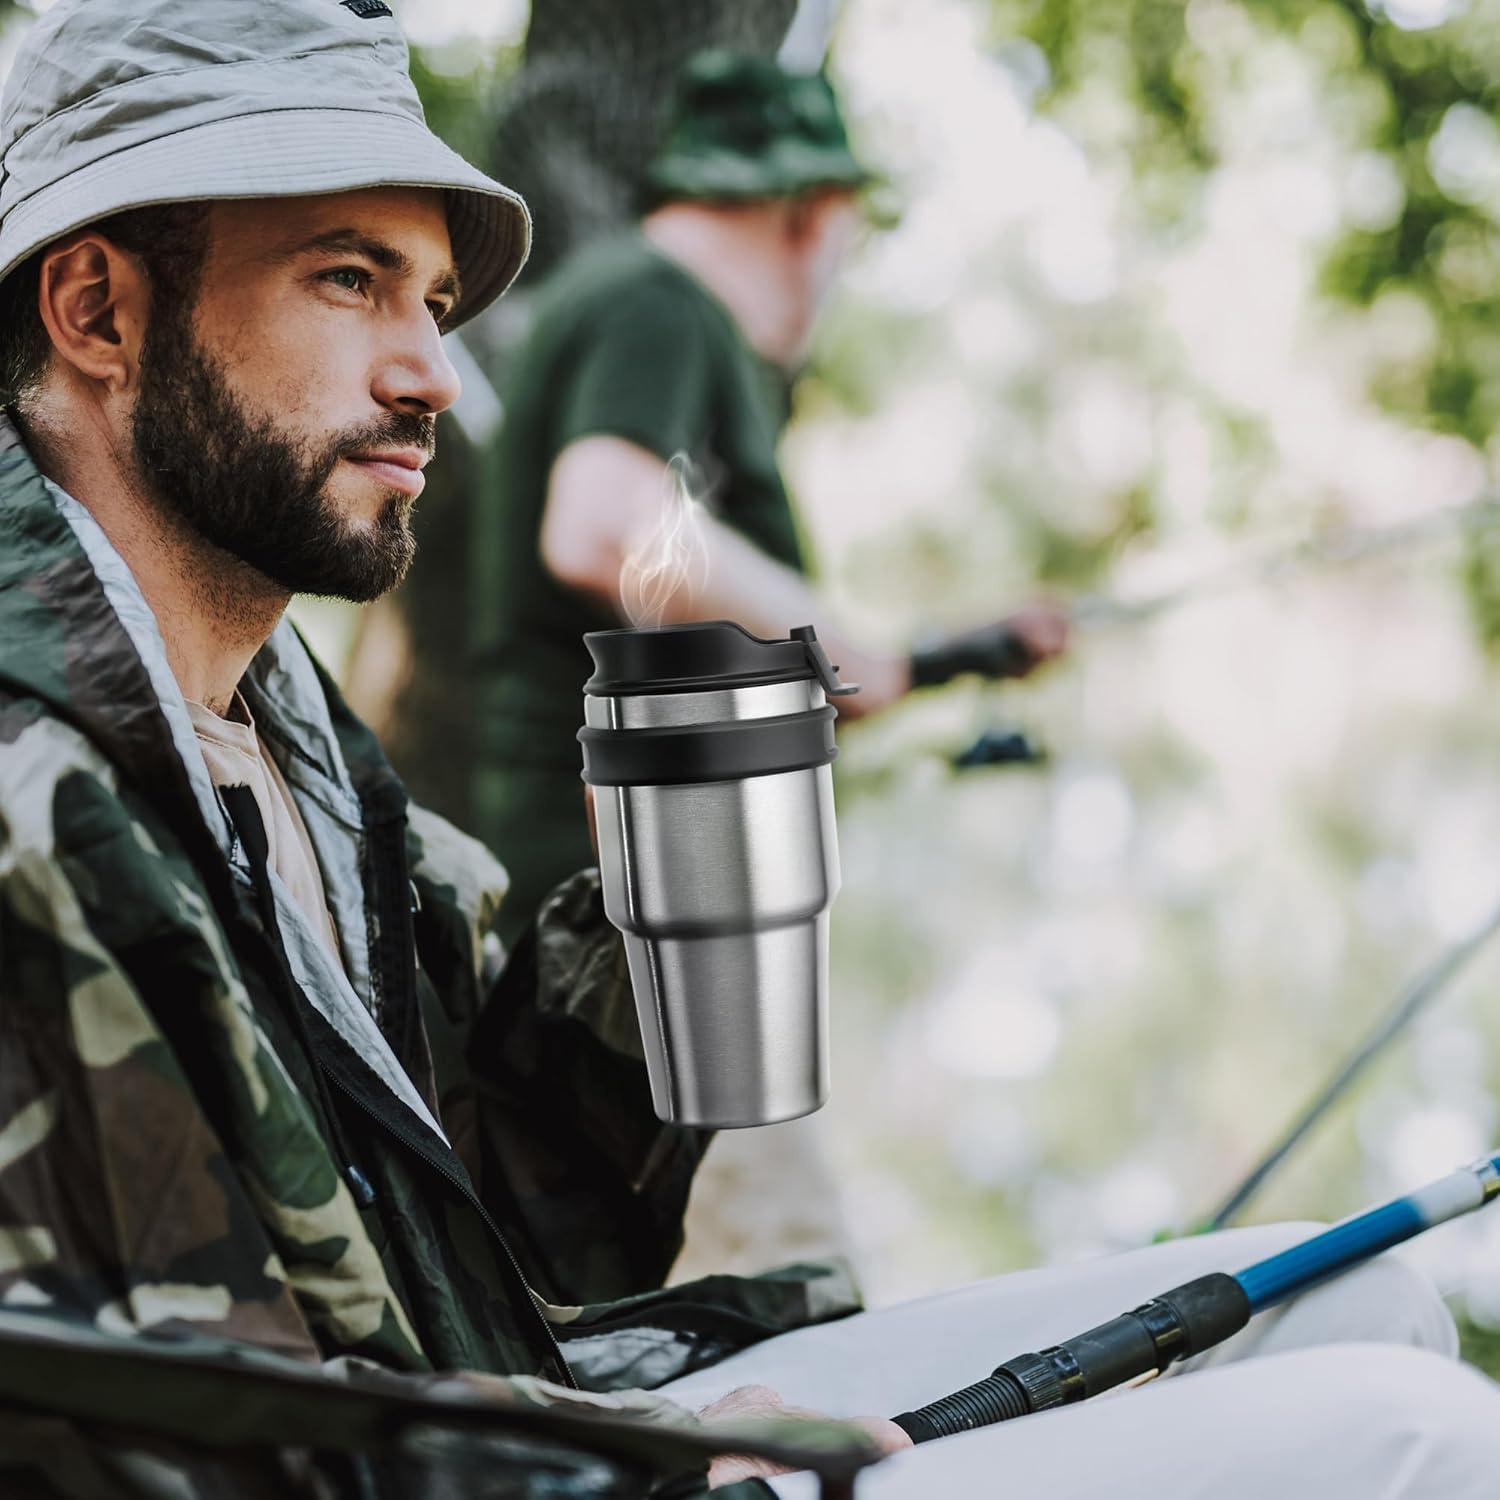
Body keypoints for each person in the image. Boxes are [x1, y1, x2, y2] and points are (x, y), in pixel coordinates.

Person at [1, 4, 1498, 1498]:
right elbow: (142, 1427)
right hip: (520, 1471)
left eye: (435, 302)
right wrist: (670, 1465)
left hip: (551, 1410)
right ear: (96, 311)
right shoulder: (32, 797)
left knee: (1364, 1300)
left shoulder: (294, 732)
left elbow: (511, 1244)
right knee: (1430, 1440)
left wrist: (653, 923)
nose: (434, 373)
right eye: (349, 279)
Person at [478, 52, 1071, 947]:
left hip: (597, 886)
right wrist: (832, 651)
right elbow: (602, 526)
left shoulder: (619, 297)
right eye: (849, 239)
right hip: (609, 908)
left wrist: (940, 657)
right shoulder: (659, 303)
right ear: (809, 215)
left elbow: (696, 619)